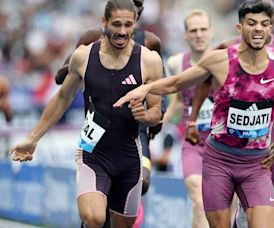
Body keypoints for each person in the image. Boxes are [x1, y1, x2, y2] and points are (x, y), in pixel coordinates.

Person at [114, 1, 274, 227]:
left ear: (271, 29)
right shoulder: (220, 60)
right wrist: (144, 88)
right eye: (251, 23)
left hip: (257, 165)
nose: (258, 29)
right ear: (240, 28)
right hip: (220, 161)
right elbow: (177, 82)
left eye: (264, 24)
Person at [10, 0, 163, 227]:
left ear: (135, 25)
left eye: (127, 25)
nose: (122, 32)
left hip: (129, 156)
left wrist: (144, 116)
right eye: (116, 25)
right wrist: (32, 140)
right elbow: (62, 98)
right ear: (104, 22)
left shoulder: (149, 60)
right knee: (94, 218)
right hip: (94, 152)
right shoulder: (83, 56)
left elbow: (156, 113)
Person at [54, 0, 160, 197]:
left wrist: (155, 117)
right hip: (99, 124)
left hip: (136, 124)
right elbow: (63, 76)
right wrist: (81, 66)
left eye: (136, 4)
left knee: (143, 181)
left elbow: (157, 84)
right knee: (96, 203)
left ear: (140, 12)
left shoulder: (151, 41)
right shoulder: (93, 36)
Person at [162, 9, 213, 228]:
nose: (199, 35)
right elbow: (180, 101)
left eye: (203, 29)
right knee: (198, 199)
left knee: (219, 208)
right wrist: (158, 124)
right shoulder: (175, 63)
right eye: (193, 30)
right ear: (185, 35)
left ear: (210, 32)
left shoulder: (224, 59)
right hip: (193, 143)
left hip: (223, 145)